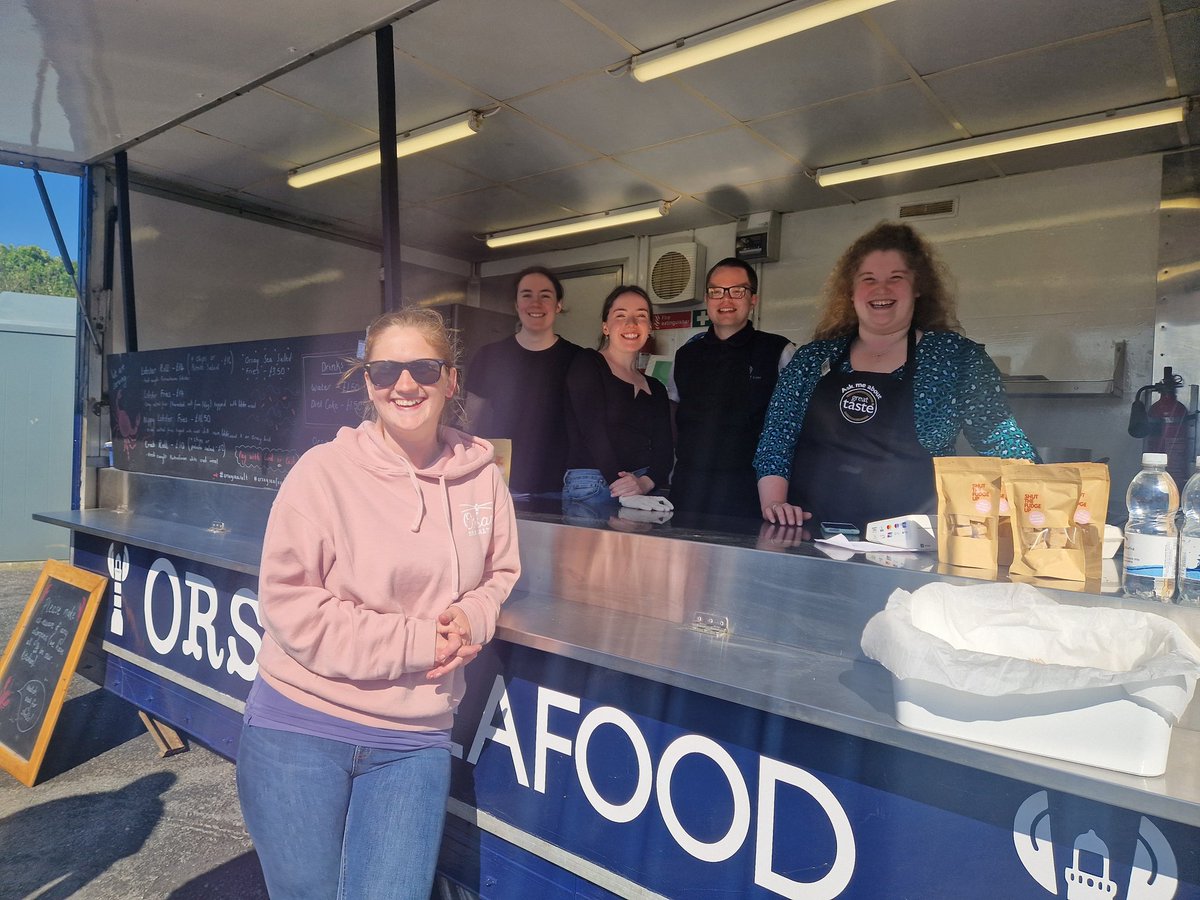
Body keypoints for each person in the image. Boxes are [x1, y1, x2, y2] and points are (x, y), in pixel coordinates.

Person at [236, 307, 520, 900]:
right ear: (368, 382)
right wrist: (417, 642)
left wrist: (475, 615)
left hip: (413, 742)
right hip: (299, 726)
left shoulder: (483, 475)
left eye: (421, 367)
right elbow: (290, 606)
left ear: (450, 379)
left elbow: (499, 573)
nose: (404, 384)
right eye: (385, 370)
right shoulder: (322, 472)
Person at [754, 221, 1038, 531]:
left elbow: (1002, 442)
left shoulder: (955, 358)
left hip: (914, 546)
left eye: (896, 278)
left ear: (918, 287)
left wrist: (1039, 505)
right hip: (810, 537)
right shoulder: (812, 359)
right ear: (851, 291)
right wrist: (775, 505)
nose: (882, 289)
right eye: (869, 279)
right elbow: (776, 440)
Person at [669, 257, 794, 519]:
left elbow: (791, 429)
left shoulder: (778, 351)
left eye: (737, 291)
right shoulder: (685, 355)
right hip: (688, 490)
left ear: (753, 299)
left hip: (749, 494)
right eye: (716, 292)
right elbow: (673, 419)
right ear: (707, 298)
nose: (725, 300)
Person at [465, 266, 581, 497]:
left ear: (558, 305)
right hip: (500, 481)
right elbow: (469, 420)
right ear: (516, 304)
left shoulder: (579, 359)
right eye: (526, 295)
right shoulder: (490, 356)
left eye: (545, 296)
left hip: (561, 485)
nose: (535, 303)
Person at [562, 285, 673, 515]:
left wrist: (642, 484)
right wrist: (623, 487)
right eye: (620, 315)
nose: (631, 323)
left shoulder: (657, 388)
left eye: (641, 315)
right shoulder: (587, 363)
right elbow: (592, 431)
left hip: (642, 490)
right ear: (605, 326)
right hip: (593, 485)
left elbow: (664, 453)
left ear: (650, 326)